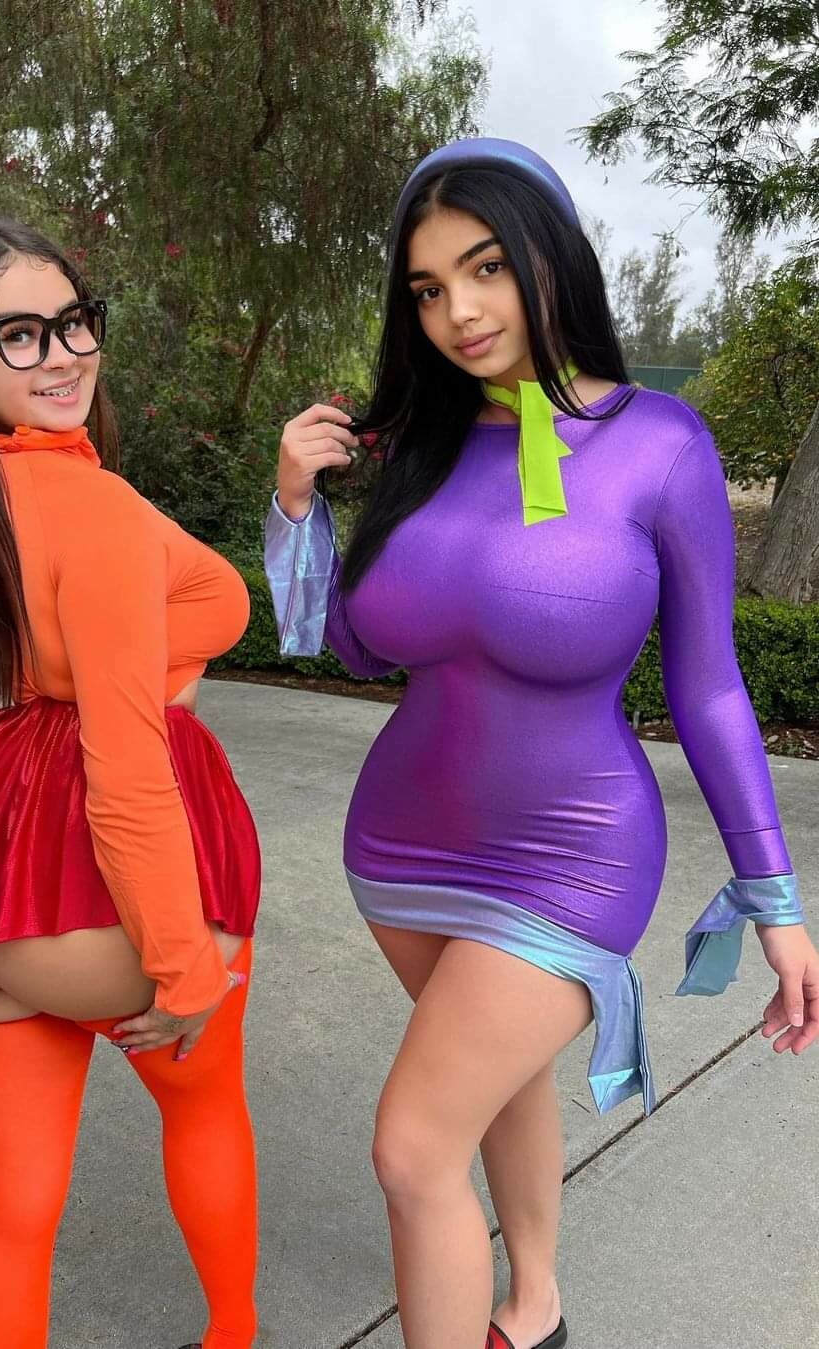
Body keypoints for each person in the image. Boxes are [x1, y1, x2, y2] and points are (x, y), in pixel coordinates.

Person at [263, 138, 817, 1349]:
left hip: (575, 854)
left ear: (550, 256)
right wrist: (299, 507)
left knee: (414, 1146)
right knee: (493, 1083)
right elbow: (354, 650)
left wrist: (774, 896)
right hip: (403, 848)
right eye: (426, 288)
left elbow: (710, 687)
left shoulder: (660, 443)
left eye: (487, 268)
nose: (458, 311)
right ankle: (535, 1304)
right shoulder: (419, 445)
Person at [0, 216, 260, 1349]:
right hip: (94, 898)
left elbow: (55, 664)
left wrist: (155, 659)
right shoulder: (97, 508)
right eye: (20, 334)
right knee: (205, 1110)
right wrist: (183, 962)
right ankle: (231, 1336)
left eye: (74, 321)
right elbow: (126, 766)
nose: (63, 354)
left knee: (6, 1208)